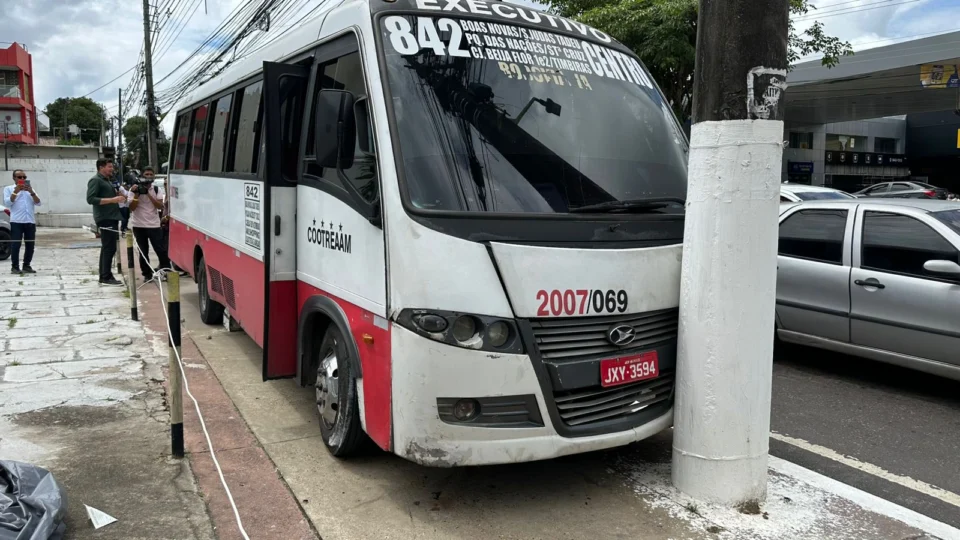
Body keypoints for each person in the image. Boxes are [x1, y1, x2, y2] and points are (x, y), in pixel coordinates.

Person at [86, 158, 126, 286]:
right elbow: (91, 199)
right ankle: (106, 276)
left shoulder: (108, 180)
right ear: (101, 167)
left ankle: (105, 274)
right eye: (109, 167)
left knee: (108, 247)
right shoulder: (95, 180)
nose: (112, 169)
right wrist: (112, 200)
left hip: (112, 216)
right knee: (109, 248)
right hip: (105, 217)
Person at [127, 167, 170, 282]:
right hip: (139, 225)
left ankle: (166, 271)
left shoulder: (156, 189)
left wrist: (148, 194)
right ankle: (147, 274)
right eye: (146, 174)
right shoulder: (133, 189)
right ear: (142, 176)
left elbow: (160, 206)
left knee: (161, 250)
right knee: (143, 252)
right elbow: (132, 208)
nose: (149, 176)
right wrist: (137, 195)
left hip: (154, 225)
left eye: (151, 174)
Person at [2, 170, 41, 274]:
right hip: (17, 221)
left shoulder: (30, 189)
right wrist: (16, 191)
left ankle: (26, 265)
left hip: (30, 221)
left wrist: (32, 192)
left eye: (24, 177)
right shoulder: (8, 189)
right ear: (14, 178)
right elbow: (7, 203)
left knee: (30, 245)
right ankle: (15, 267)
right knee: (16, 245)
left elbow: (38, 202)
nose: (22, 179)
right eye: (20, 177)